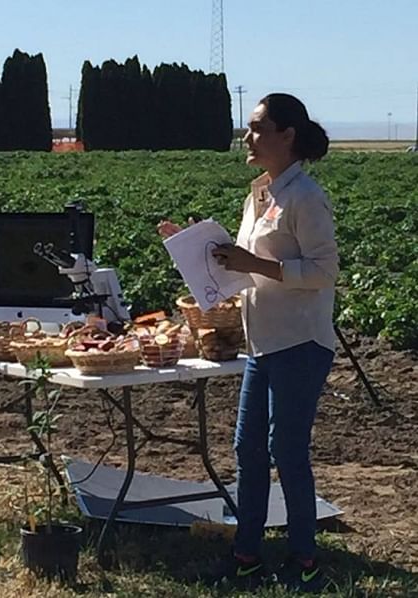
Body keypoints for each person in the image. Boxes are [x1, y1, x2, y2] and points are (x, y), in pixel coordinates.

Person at [158, 93, 338, 593]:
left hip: (301, 342)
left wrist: (251, 264)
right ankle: (247, 555)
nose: (248, 136)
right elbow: (242, 267)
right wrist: (196, 251)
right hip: (263, 343)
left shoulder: (306, 197)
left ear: (288, 136)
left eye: (259, 128)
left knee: (288, 450)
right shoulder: (259, 195)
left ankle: (305, 561)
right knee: (248, 449)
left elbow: (325, 271)